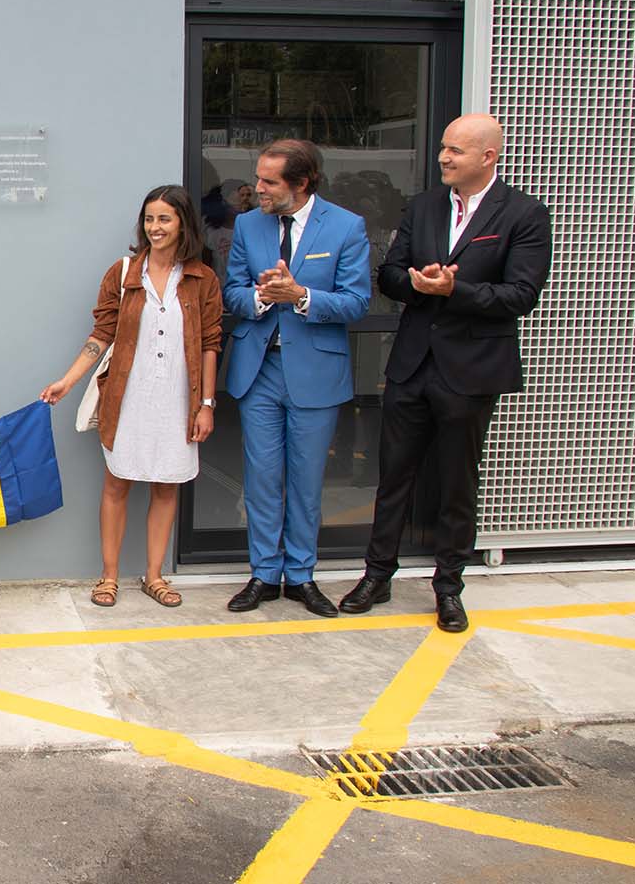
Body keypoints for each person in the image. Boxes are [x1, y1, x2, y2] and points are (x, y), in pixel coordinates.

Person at [338, 113, 552, 633]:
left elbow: (521, 295)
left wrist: (454, 290)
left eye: (456, 150)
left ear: (488, 157)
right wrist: (417, 283)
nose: (444, 157)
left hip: (472, 368)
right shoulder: (425, 206)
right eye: (442, 148)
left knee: (457, 482)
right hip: (413, 363)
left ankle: (448, 588)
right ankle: (377, 575)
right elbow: (389, 273)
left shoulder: (523, 213)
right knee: (394, 475)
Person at [41, 185, 222, 609]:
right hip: (128, 395)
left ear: (183, 223)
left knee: (166, 487)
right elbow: (102, 334)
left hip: (180, 399)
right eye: (149, 219)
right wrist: (67, 381)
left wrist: (206, 404)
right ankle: (108, 576)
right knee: (116, 483)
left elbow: (211, 343)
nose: (155, 227)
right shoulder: (124, 274)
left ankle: (155, 576)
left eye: (164, 219)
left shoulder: (202, 279)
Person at [222, 139, 372, 617]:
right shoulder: (248, 224)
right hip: (259, 369)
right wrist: (264, 298)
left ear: (301, 183)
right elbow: (233, 292)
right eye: (259, 178)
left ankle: (301, 576)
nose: (258, 188)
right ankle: (264, 574)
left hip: (316, 371)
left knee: (306, 481)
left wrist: (301, 294)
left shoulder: (347, 227)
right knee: (262, 477)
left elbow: (356, 302)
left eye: (269, 182)